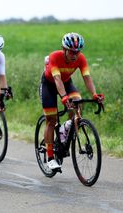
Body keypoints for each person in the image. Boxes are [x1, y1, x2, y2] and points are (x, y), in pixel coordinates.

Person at [39, 32, 104, 169]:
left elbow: (87, 77)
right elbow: (57, 79)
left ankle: (66, 127)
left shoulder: (81, 59)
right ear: (64, 49)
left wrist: (94, 94)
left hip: (67, 82)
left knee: (78, 102)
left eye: (77, 52)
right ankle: (50, 157)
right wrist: (63, 97)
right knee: (51, 120)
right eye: (71, 52)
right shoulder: (54, 57)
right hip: (49, 85)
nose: (75, 55)